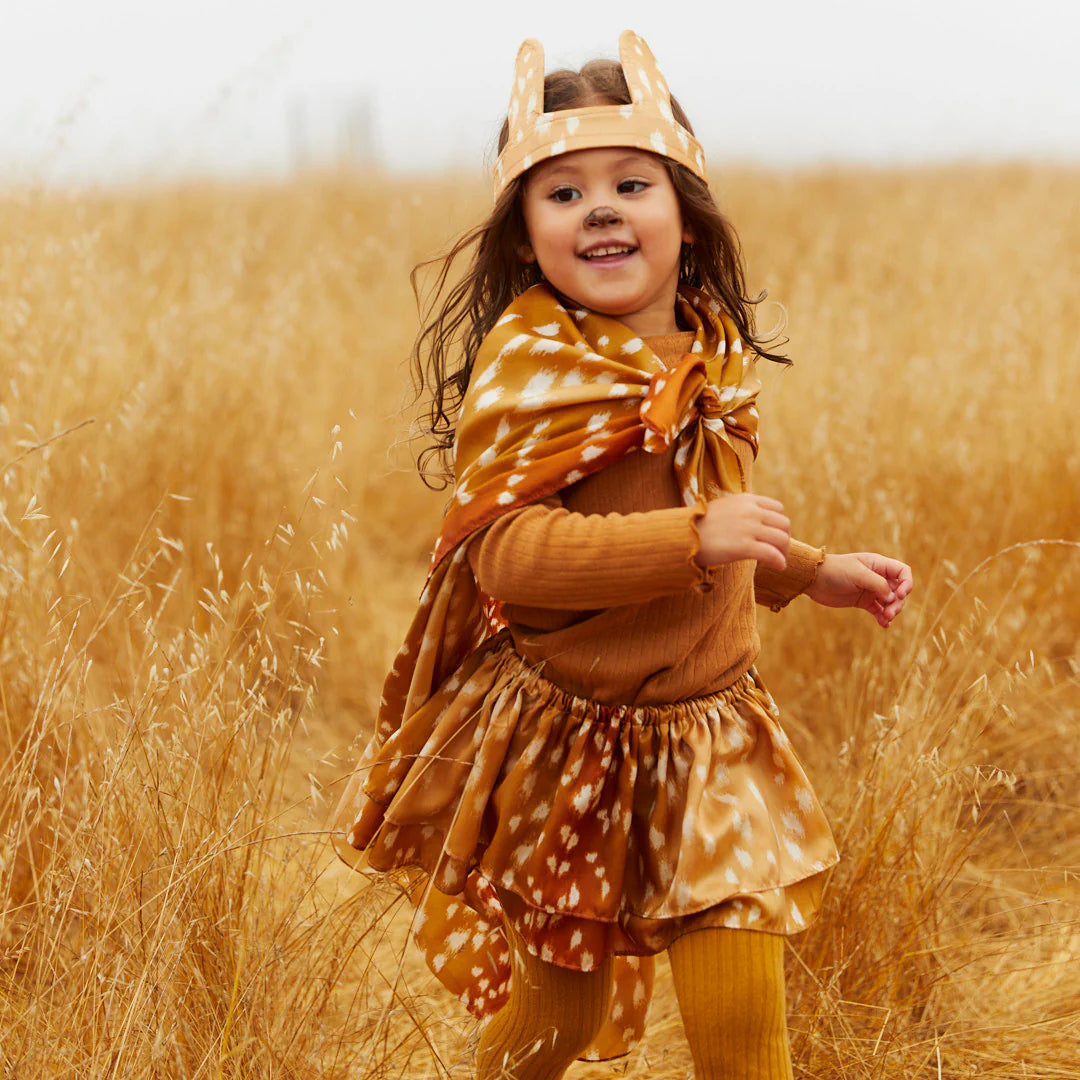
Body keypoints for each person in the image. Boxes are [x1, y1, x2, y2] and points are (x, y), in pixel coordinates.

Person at [332, 30, 913, 1080]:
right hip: (574, 746)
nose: (599, 208)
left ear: (685, 216)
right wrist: (691, 540)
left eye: (630, 183)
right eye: (561, 194)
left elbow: (721, 519)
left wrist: (809, 569)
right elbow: (506, 555)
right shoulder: (534, 368)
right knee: (553, 1025)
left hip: (713, 737)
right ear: (526, 239)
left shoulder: (712, 355)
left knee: (743, 1023)